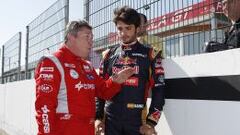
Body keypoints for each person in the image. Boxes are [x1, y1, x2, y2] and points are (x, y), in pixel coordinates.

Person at [34, 20, 134, 135]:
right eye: (87, 37)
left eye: (92, 37)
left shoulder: (87, 66)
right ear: (71, 37)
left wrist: (116, 81)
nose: (91, 42)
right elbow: (44, 107)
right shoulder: (52, 62)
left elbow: (104, 92)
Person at [95, 6, 165, 135]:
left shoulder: (151, 54)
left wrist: (151, 122)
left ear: (137, 29)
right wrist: (98, 118)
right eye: (120, 29)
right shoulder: (108, 55)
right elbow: (100, 90)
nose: (123, 33)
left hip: (137, 122)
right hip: (110, 122)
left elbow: (159, 89)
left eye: (128, 28)